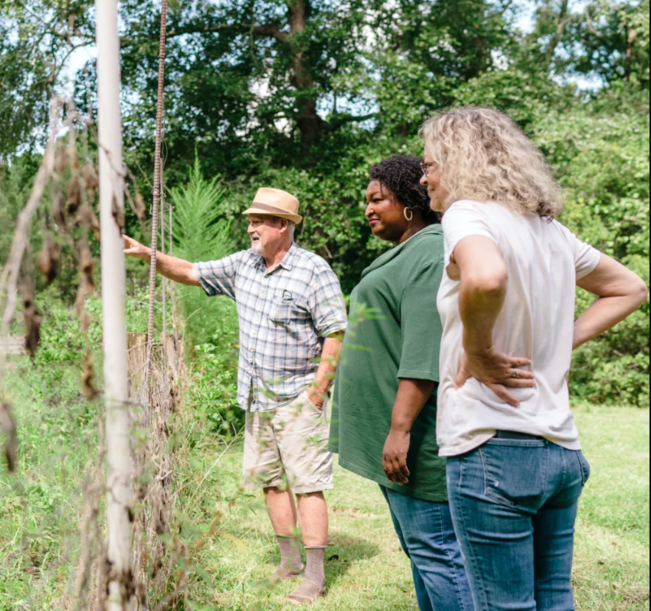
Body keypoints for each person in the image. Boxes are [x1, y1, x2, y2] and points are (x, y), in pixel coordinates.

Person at [419, 106, 648, 611]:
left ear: (458, 163)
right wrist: (558, 340)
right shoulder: (550, 232)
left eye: (430, 163)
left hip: (490, 447)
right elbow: (630, 288)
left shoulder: (466, 215)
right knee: (553, 599)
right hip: (560, 451)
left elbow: (484, 276)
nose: (423, 176)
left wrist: (478, 351)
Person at [123, 187, 347, 604]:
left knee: (308, 485)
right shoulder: (243, 265)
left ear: (282, 225)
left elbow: (335, 332)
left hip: (298, 398)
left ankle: (314, 578)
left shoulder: (313, 271)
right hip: (257, 400)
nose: (250, 228)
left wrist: (316, 395)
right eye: (250, 220)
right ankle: (289, 562)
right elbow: (191, 271)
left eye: (258, 220)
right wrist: (147, 254)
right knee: (271, 482)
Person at [330, 155, 473, 610]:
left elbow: (424, 346)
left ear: (410, 202)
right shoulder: (408, 251)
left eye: (379, 199)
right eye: (366, 201)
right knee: (422, 551)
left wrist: (399, 429)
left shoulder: (431, 252)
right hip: (392, 435)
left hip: (413, 438)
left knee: (439, 553)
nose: (368, 209)